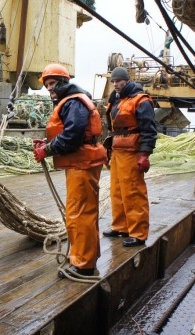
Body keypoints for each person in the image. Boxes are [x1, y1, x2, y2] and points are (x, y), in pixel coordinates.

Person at [33, 64, 107, 279]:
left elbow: (73, 136)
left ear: (63, 82)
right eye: (47, 86)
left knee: (79, 214)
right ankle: (86, 256)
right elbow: (72, 132)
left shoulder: (73, 102)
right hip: (81, 163)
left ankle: (83, 264)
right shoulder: (73, 101)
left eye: (53, 84)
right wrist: (48, 142)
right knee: (84, 213)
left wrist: (46, 150)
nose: (50, 89)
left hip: (81, 164)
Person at [102, 67, 157, 247]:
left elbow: (149, 129)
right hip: (118, 151)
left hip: (133, 152)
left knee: (133, 192)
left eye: (118, 81)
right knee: (117, 191)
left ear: (126, 80)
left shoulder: (141, 101)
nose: (115, 84)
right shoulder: (116, 100)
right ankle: (121, 227)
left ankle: (139, 233)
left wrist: (145, 154)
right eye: (113, 81)